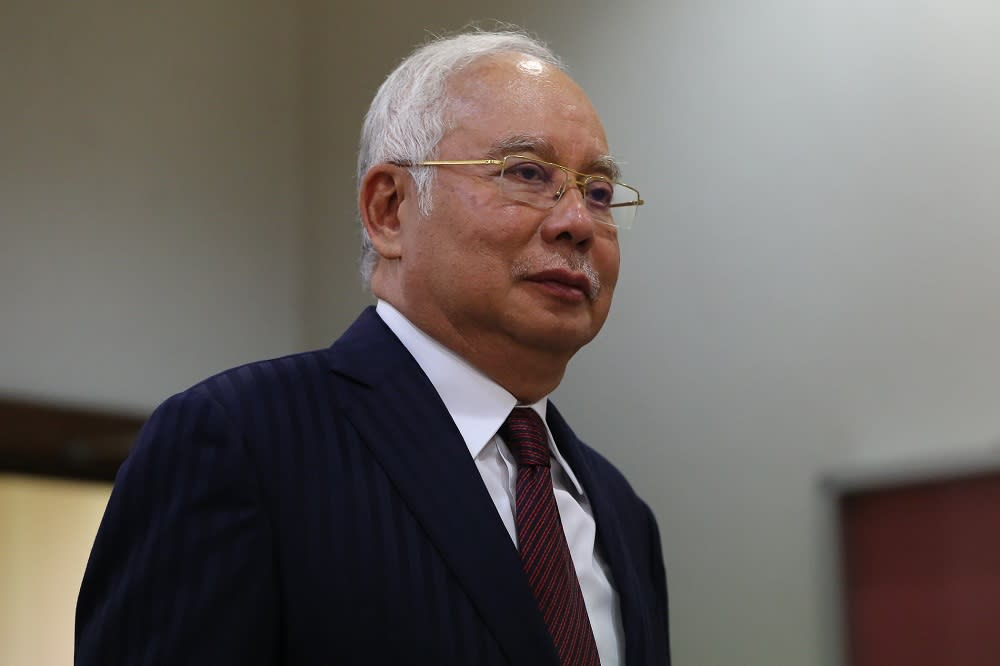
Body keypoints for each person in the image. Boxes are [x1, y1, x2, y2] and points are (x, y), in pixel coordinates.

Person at [75, 27, 670, 666]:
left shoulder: (618, 510)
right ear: (390, 209)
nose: (577, 221)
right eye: (526, 173)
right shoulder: (242, 443)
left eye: (600, 192)